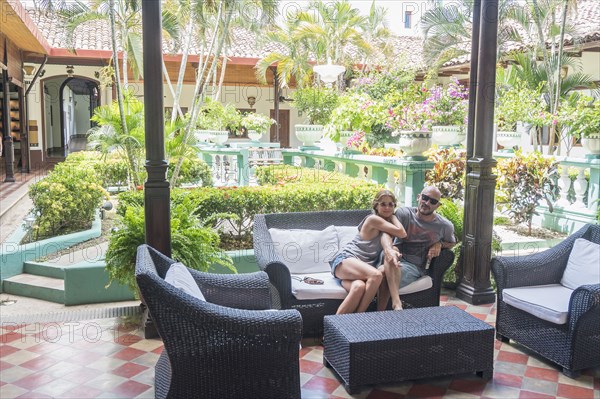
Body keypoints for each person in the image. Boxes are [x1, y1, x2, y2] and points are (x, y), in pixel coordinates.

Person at [377, 186, 456, 311]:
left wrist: (439, 244)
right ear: (419, 197)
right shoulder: (404, 214)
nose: (427, 203)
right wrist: (390, 249)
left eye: (433, 201)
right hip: (391, 256)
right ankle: (394, 305)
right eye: (425, 198)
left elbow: (452, 243)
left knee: (380, 274)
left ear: (438, 205)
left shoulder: (444, 226)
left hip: (414, 266)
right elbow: (386, 233)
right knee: (390, 259)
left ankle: (377, 314)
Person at [330, 189, 407, 314]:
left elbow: (388, 242)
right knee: (376, 275)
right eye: (383, 204)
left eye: (390, 204)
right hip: (345, 260)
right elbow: (402, 232)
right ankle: (361, 316)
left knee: (358, 287)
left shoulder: (385, 227)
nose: (387, 207)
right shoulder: (373, 220)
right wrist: (393, 216)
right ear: (376, 205)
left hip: (360, 269)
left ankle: (332, 328)